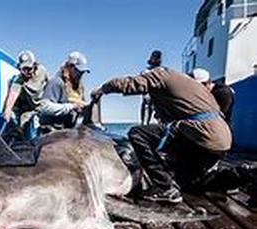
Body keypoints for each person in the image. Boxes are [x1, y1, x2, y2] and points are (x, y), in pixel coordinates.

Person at [91, 67, 233, 203]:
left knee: (137, 133)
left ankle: (164, 188)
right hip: (221, 142)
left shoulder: (161, 75)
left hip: (203, 135)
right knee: (190, 183)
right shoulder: (191, 86)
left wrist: (103, 89)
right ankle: (241, 175)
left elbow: (129, 84)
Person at [2, 50, 49, 138]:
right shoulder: (19, 79)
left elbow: (50, 85)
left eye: (29, 68)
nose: (27, 72)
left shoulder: (42, 71)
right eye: (24, 69)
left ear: (35, 65)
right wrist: (7, 111)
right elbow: (13, 95)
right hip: (26, 110)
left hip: (38, 107)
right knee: (23, 132)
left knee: (36, 133)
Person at [38, 51, 89, 132]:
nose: (81, 75)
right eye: (79, 71)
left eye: (83, 72)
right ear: (70, 67)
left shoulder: (80, 86)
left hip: (68, 131)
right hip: (52, 132)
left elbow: (80, 106)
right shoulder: (56, 82)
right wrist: (72, 106)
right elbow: (44, 107)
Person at [140, 50, 162, 125]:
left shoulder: (161, 71)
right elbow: (141, 82)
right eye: (154, 57)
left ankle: (158, 123)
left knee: (157, 108)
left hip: (157, 93)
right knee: (145, 104)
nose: (155, 59)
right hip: (147, 92)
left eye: (157, 58)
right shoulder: (145, 71)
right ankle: (143, 123)